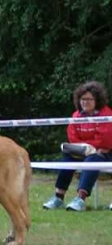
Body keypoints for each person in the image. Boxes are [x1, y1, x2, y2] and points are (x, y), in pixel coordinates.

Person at [43, 81, 112, 211]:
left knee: (93, 158)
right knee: (67, 157)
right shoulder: (76, 115)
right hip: (83, 152)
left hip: (104, 154)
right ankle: (58, 197)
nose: (85, 102)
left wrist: (89, 147)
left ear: (97, 100)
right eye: (82, 99)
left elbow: (105, 140)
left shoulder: (106, 114)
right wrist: (87, 147)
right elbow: (72, 137)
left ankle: (80, 198)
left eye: (88, 99)